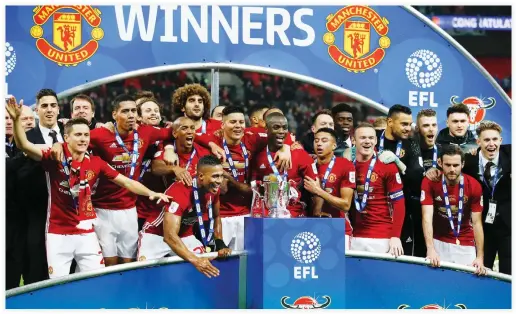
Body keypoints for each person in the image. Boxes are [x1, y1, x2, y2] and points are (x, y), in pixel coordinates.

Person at [8, 98, 170, 278]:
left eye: (86, 135)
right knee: (59, 284)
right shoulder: (54, 157)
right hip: (58, 234)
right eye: (78, 135)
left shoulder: (96, 163)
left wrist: (152, 193)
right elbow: (24, 145)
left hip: (86, 233)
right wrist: (16, 121)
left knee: (96, 279)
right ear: (66, 137)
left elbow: (126, 182)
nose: (83, 139)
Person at [51, 94, 176, 266]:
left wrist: (169, 147)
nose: (131, 115)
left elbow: (175, 131)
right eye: (125, 111)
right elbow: (73, 141)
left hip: (130, 209)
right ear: (114, 114)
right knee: (108, 263)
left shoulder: (145, 132)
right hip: (103, 210)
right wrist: (58, 144)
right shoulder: (100, 135)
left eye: (133, 111)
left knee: (128, 262)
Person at [195, 106, 292, 250]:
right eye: (232, 122)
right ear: (222, 125)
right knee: (220, 261)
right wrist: (211, 144)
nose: (238, 126)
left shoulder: (252, 136)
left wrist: (286, 148)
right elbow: (189, 133)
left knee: (246, 261)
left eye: (241, 122)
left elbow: (282, 133)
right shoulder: (213, 139)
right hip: (220, 216)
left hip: (247, 213)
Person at [139, 156, 231, 276]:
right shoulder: (180, 191)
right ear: (201, 176)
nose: (219, 181)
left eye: (221, 175)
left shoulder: (213, 189)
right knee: (144, 276)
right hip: (156, 235)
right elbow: (169, 236)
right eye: (215, 176)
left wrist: (219, 241)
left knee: (205, 269)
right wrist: (195, 261)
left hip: (185, 235)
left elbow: (216, 216)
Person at [14, 89, 65, 284]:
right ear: (37, 110)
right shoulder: (27, 138)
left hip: (68, 214)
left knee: (66, 271)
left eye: (53, 105)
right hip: (38, 212)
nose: (49, 110)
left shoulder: (71, 135)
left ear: (59, 109)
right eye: (44, 106)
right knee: (36, 267)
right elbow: (20, 174)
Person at [421, 145, 486, 275]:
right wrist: (430, 248)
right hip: (439, 241)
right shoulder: (430, 182)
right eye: (448, 165)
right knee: (438, 284)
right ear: (440, 163)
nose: (452, 169)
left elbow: (477, 223)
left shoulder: (473, 185)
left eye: (456, 165)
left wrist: (480, 257)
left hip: (466, 242)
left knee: (466, 286)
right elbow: (426, 217)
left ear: (462, 164)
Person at [376, 104, 425, 257]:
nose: (408, 128)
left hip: (402, 209)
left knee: (400, 256)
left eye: (410, 124)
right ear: (390, 122)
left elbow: (417, 178)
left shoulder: (412, 144)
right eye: (404, 124)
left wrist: (399, 163)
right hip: (374, 207)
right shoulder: (373, 137)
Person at [350, 123, 405, 256]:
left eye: (371, 138)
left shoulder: (387, 165)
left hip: (382, 237)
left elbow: (398, 203)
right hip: (354, 235)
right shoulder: (347, 165)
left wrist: (395, 236)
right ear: (353, 140)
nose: (367, 141)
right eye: (362, 137)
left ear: (375, 140)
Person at [463, 121, 511, 274]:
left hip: (508, 225)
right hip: (481, 225)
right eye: (487, 140)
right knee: (481, 270)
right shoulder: (468, 161)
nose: (491, 144)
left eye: (495, 139)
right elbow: (447, 164)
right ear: (478, 142)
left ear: (501, 141)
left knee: (508, 272)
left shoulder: (511, 154)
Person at [251, 112, 318, 218]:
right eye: (276, 127)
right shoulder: (259, 157)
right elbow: (253, 189)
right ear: (267, 130)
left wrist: (316, 216)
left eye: (284, 128)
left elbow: (315, 190)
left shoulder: (299, 154)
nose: (281, 131)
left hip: (294, 217)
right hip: (268, 218)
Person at [303, 128, 355, 249]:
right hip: (312, 230)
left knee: (340, 267)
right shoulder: (307, 165)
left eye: (324, 140)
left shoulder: (345, 165)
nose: (319, 143)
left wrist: (318, 191)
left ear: (334, 145)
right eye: (316, 140)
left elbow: (346, 205)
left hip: (339, 229)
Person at [134, 97, 168, 231]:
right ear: (139, 118)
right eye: (148, 111)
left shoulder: (168, 138)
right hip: (137, 208)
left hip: (162, 207)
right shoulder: (133, 136)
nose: (153, 113)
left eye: (156, 110)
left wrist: (170, 147)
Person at [151, 116, 210, 187]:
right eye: (184, 128)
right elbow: (155, 168)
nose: (190, 132)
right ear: (175, 134)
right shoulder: (168, 150)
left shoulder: (203, 152)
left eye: (192, 128)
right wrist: (174, 169)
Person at [416, 109, 442, 180]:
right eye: (426, 125)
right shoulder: (409, 151)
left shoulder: (444, 152)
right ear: (417, 129)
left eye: (434, 125)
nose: (431, 129)